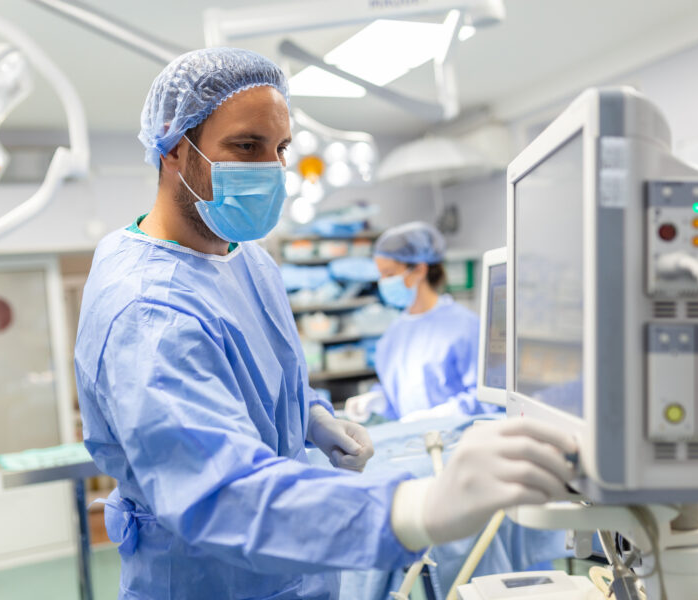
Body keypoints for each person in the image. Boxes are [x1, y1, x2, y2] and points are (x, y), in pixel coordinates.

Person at [74, 47, 577, 600]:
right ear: (173, 146)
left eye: (281, 148)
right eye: (246, 146)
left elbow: (274, 374)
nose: (271, 169)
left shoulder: (246, 259)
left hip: (295, 575)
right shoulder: (148, 312)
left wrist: (312, 415)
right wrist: (416, 509)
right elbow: (218, 493)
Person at [346, 222, 497, 423]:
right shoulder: (395, 333)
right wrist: (379, 399)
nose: (383, 282)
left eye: (389, 274)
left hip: (461, 442)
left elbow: (490, 398)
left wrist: (444, 415)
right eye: (380, 274)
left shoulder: (465, 326)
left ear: (419, 269)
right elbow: (400, 392)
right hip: (413, 444)